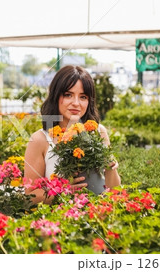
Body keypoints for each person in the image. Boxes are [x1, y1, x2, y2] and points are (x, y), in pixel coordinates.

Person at [24, 65, 121, 204]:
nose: (76, 103)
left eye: (83, 97)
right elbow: (30, 195)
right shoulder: (39, 140)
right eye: (68, 95)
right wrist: (62, 192)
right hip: (60, 221)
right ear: (56, 96)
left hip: (98, 216)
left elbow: (115, 189)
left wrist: (111, 167)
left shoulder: (99, 132)